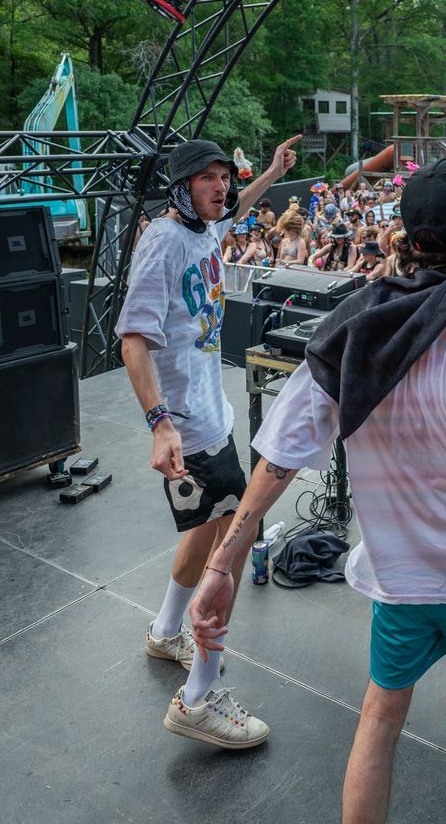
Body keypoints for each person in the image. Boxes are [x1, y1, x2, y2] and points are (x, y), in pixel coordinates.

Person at [188, 158, 446, 823]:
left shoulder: (353, 332)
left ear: (407, 238)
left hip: (400, 583)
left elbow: (277, 457)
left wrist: (223, 563)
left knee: (381, 714)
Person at [118, 134, 299, 749]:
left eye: (225, 176)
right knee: (235, 544)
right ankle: (198, 695)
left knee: (207, 531)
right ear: (180, 188)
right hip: (187, 424)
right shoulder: (163, 243)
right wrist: (159, 422)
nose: (221, 188)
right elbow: (133, 339)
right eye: (208, 179)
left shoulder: (206, 228)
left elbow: (238, 210)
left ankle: (168, 630)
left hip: (210, 413)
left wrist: (272, 170)